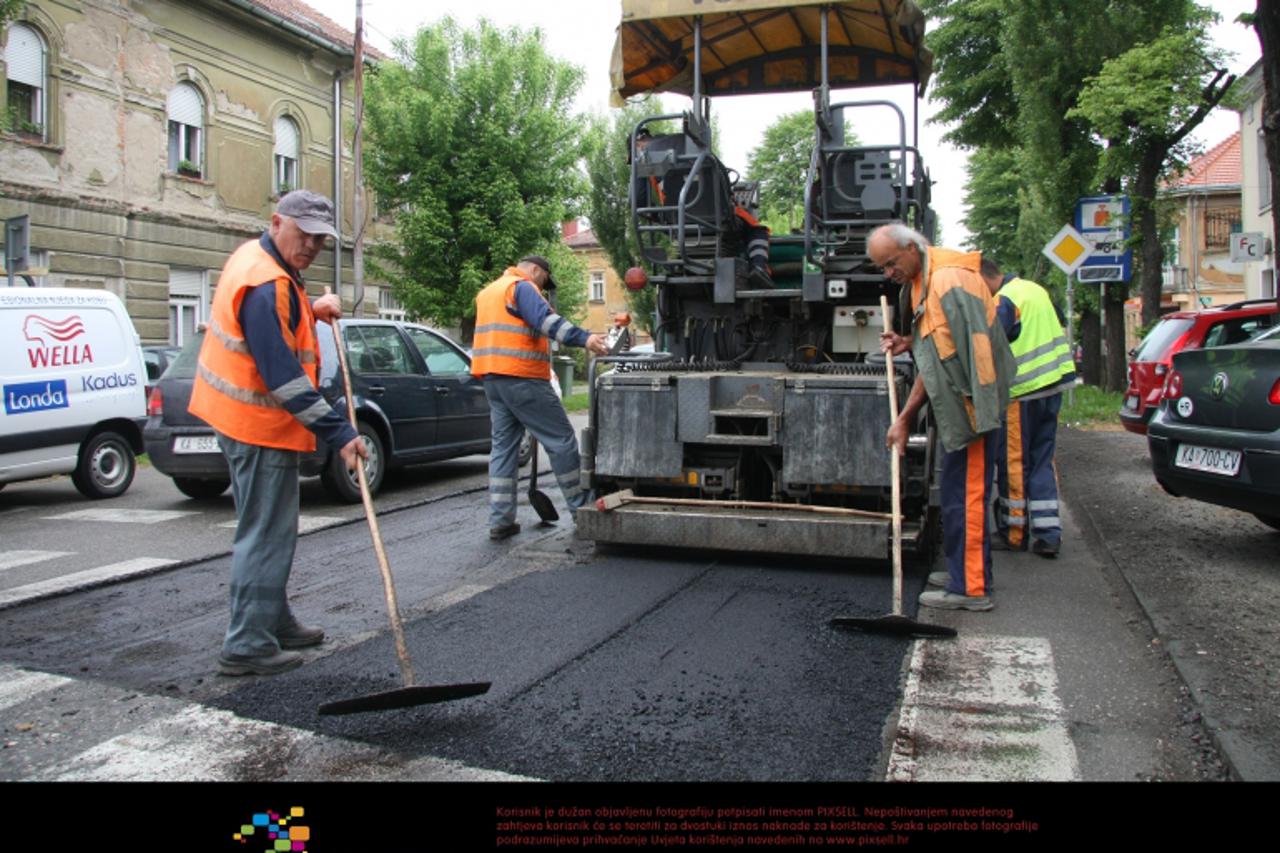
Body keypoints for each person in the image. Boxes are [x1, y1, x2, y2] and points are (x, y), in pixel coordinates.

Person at [189, 190, 366, 676]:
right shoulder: (266, 282)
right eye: (303, 234)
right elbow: (282, 375)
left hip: (252, 421)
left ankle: (271, 620)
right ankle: (247, 642)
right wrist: (340, 433)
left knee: (272, 529)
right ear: (276, 222)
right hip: (257, 425)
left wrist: (312, 307)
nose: (310, 246)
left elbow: (277, 316)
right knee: (266, 533)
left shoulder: (261, 261)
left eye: (319, 240)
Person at [872, 223, 1016, 612]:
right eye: (882, 268)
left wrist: (978, 418)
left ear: (910, 248)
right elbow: (937, 352)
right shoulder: (924, 279)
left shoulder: (949, 281)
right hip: (959, 409)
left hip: (971, 413)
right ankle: (963, 570)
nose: (888, 274)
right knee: (954, 494)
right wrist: (908, 342)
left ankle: (970, 587)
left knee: (966, 499)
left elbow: (978, 353)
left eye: (889, 264)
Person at [471, 255, 610, 540]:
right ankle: (582, 510)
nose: (543, 288)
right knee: (561, 441)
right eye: (544, 281)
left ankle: (500, 520)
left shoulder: (489, 292)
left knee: (503, 450)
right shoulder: (522, 288)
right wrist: (585, 339)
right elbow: (547, 322)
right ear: (535, 270)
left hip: (493, 381)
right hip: (523, 378)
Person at [979, 258, 1076, 557]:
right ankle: (1049, 535)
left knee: (1014, 464)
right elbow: (1058, 322)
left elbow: (990, 344)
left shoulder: (1003, 301)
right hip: (1053, 386)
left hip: (1023, 393)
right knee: (1042, 459)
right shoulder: (1034, 290)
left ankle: (1014, 532)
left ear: (985, 279)